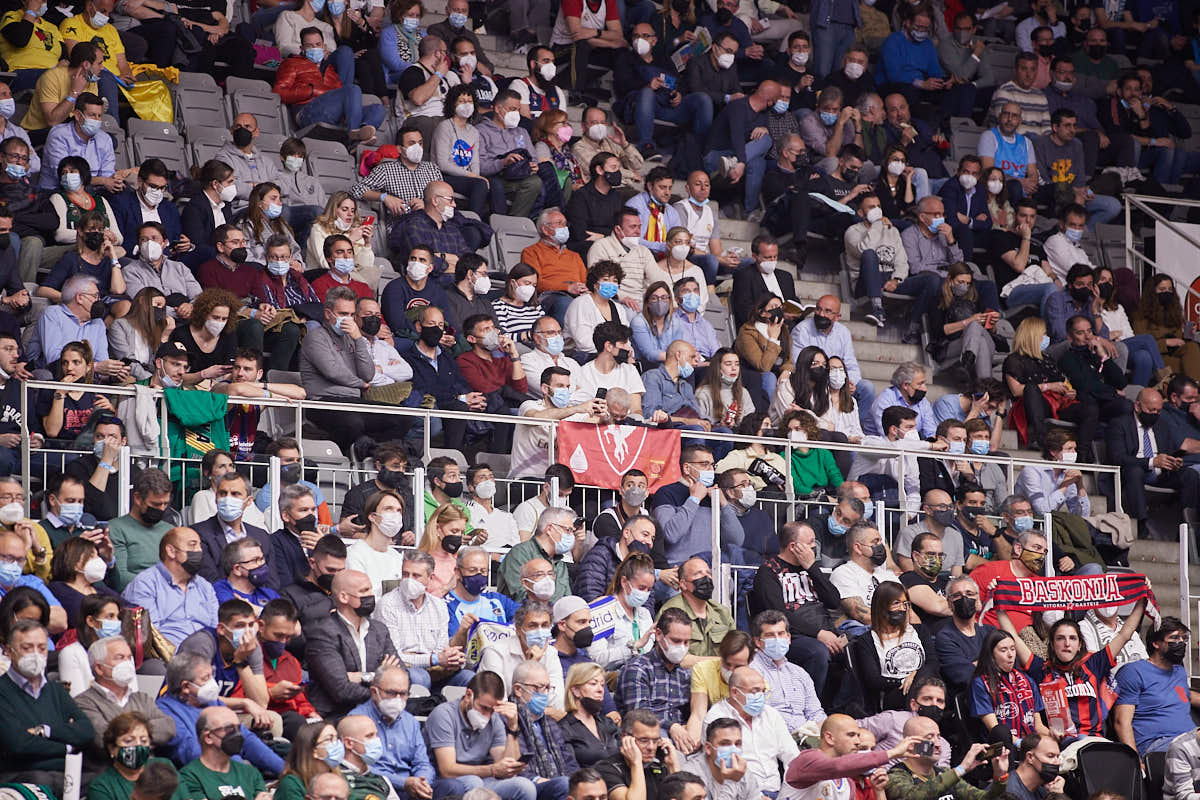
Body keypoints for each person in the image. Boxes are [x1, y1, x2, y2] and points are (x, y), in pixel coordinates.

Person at [996, 600, 1145, 737]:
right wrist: (998, 603)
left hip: (1094, 742)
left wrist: (1143, 600)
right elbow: (1014, 638)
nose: (1067, 644)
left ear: (1080, 644)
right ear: (1052, 644)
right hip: (1058, 744)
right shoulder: (1041, 669)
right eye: (1060, 638)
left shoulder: (1094, 664)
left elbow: (1125, 634)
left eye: (1072, 638)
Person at [0, 620, 95, 791]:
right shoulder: (2, 690)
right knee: (42, 780)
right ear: (8, 651)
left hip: (66, 771)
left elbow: (86, 731)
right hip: (20, 774)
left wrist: (45, 731)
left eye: (42, 648)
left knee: (102, 780)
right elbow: (19, 744)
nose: (35, 654)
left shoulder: (56, 690)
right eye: (27, 648)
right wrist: (68, 746)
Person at [425, 670, 537, 800]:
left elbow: (506, 767)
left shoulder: (494, 719)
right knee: (474, 783)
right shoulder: (444, 715)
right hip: (448, 782)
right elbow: (447, 770)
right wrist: (491, 770)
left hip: (483, 779)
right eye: (484, 708)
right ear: (468, 695)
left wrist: (512, 727)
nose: (487, 716)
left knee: (525, 787)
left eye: (492, 710)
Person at [305, 569, 400, 719]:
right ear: (344, 597)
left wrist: (364, 677)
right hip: (337, 715)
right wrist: (383, 687)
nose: (371, 595)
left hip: (379, 712)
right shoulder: (322, 633)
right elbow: (341, 689)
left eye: (370, 589)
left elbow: (403, 675)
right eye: (364, 591)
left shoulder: (379, 630)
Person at [375, 549, 473, 692]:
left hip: (436, 671)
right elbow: (395, 656)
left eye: (416, 576)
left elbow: (441, 649)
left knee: (469, 678)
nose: (409, 580)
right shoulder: (387, 604)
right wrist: (434, 659)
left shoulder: (439, 605)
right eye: (405, 574)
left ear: (430, 578)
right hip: (402, 671)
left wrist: (450, 658)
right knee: (421, 677)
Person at [275, 27, 384, 143]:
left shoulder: (330, 69)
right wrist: (311, 90)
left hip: (332, 111)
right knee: (352, 89)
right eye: (309, 46)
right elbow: (279, 92)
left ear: (324, 47)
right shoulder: (291, 63)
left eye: (318, 44)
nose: (315, 48)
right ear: (302, 48)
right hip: (307, 111)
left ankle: (361, 133)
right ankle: (353, 136)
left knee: (378, 109)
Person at [1114, 617, 1200, 755]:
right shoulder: (1133, 672)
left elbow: (1184, 695)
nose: (1180, 643)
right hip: (1158, 744)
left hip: (1191, 739)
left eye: (1184, 638)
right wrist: (1134, 760)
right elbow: (1121, 722)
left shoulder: (1178, 672)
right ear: (1155, 643)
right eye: (1174, 638)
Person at [347, 665, 436, 795]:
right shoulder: (356, 720)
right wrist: (404, 783)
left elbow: (422, 763)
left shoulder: (410, 721)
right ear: (374, 692)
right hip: (374, 787)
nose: (398, 699)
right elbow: (359, 767)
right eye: (392, 693)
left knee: (451, 787)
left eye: (403, 693)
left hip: (411, 787)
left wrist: (422, 782)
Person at [615, 607, 694, 749]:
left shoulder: (685, 673)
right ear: (658, 635)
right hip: (647, 738)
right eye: (676, 641)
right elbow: (639, 715)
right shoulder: (638, 668)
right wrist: (672, 726)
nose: (682, 647)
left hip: (681, 734)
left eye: (686, 642)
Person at [885, 714, 1008, 800]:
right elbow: (912, 796)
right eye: (929, 737)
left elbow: (983, 798)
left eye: (938, 737)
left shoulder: (943, 772)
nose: (938, 744)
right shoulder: (895, 776)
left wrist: (999, 776)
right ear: (911, 745)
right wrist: (961, 769)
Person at [970, 629, 1049, 742]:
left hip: (1031, 743)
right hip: (1001, 746)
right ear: (991, 654)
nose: (1010, 655)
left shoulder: (1027, 680)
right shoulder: (980, 683)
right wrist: (1020, 744)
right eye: (1003, 650)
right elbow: (995, 730)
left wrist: (1054, 736)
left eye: (1013, 649)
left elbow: (1038, 726)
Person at [177, 705, 268, 800]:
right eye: (229, 729)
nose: (237, 734)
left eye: (238, 728)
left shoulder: (250, 773)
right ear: (208, 737)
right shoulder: (189, 776)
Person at [40, 92, 123, 194]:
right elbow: (66, 177)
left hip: (93, 192)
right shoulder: (59, 135)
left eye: (99, 116)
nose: (97, 120)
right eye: (92, 115)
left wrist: (115, 181)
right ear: (78, 115)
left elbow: (107, 175)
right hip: (57, 192)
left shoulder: (105, 139)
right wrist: (102, 181)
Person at [86, 712, 177, 800]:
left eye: (143, 741)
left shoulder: (163, 765)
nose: (138, 745)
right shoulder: (101, 786)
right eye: (129, 741)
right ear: (112, 748)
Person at [1004, 735, 1066, 800]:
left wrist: (1057, 794)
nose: (1058, 762)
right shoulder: (1009, 792)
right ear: (1030, 757)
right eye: (1050, 756)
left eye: (1057, 757)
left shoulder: (1040, 789)